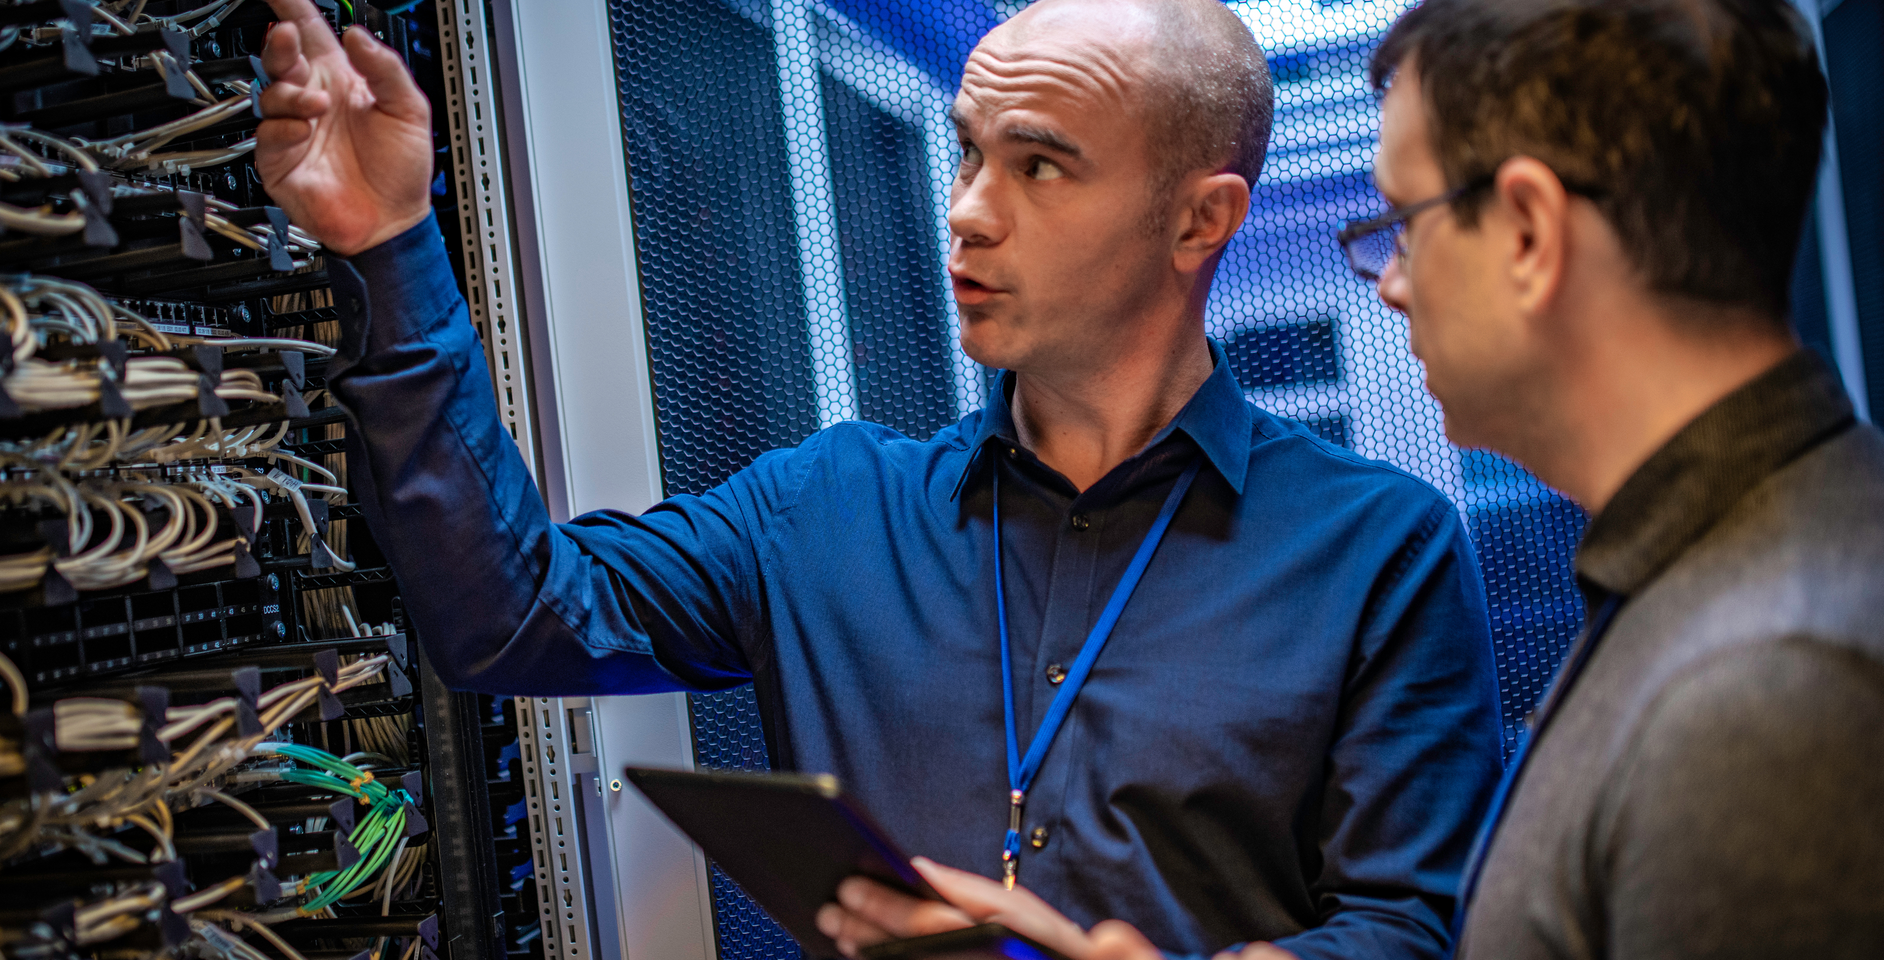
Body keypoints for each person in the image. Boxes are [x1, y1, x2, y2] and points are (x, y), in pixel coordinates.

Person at [252, 0, 1503, 956]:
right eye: (967, 156)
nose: (966, 210)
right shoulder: (827, 508)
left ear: (1200, 220)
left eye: (1039, 166)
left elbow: (1413, 930)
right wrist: (393, 246)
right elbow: (511, 615)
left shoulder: (1378, 549)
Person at [1351, 0, 1884, 956]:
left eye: (1402, 223)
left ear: (1527, 231)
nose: (1389, 281)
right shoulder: (1719, 565)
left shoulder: (1763, 696)